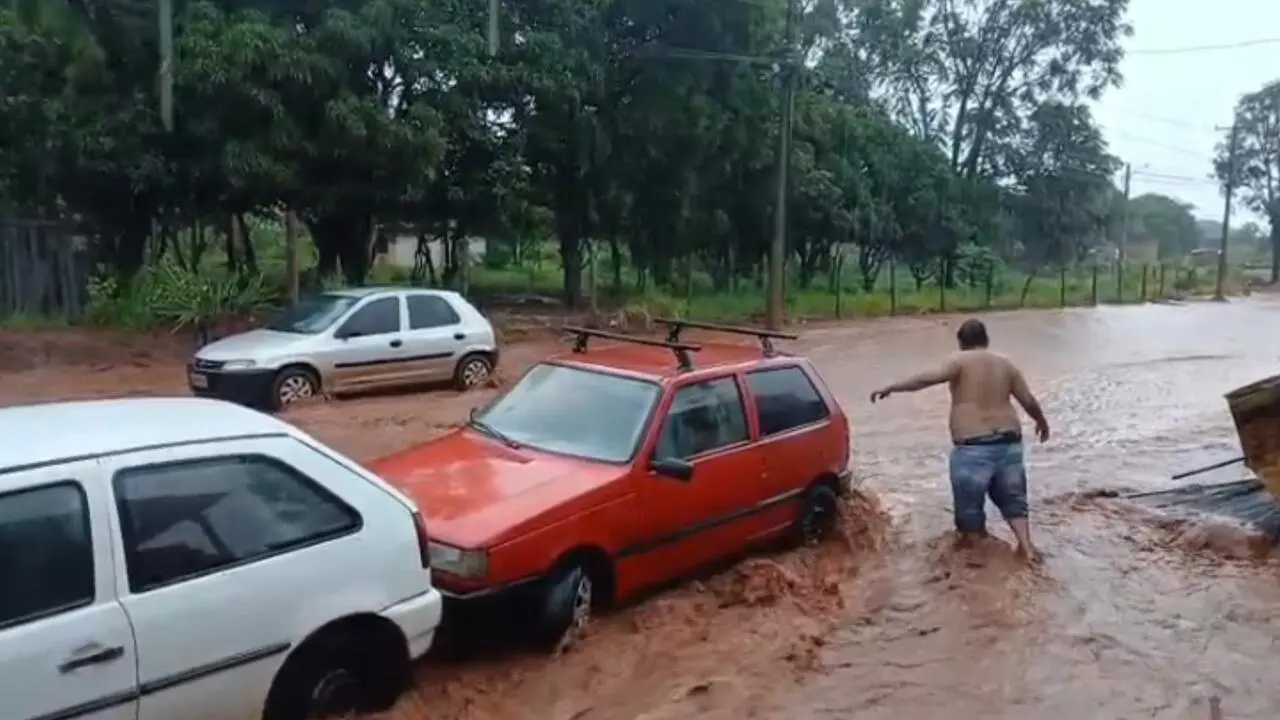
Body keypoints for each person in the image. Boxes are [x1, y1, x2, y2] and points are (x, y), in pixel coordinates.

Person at [869, 318, 1050, 561]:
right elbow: (1028, 400)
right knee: (1015, 501)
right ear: (986, 340)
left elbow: (926, 379)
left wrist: (892, 387)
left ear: (961, 342)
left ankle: (977, 569)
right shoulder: (1006, 365)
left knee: (969, 515)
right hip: (1009, 443)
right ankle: (1026, 548)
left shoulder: (959, 360)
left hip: (973, 447)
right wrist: (1041, 422)